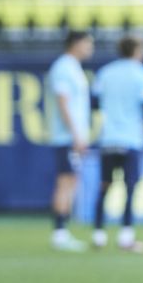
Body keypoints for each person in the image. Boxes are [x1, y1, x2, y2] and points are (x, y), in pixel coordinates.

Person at [91, 35, 143, 254]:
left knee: (104, 186)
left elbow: (94, 103)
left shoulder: (105, 73)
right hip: (131, 139)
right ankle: (126, 237)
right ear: (136, 50)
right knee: (130, 188)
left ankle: (98, 235)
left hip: (108, 138)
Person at [44, 30, 94, 252]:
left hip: (70, 135)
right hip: (66, 136)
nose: (90, 48)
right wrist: (75, 134)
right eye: (87, 43)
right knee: (65, 182)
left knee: (70, 181)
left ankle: (62, 232)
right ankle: (59, 232)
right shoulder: (64, 68)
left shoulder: (72, 67)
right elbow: (63, 102)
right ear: (75, 43)